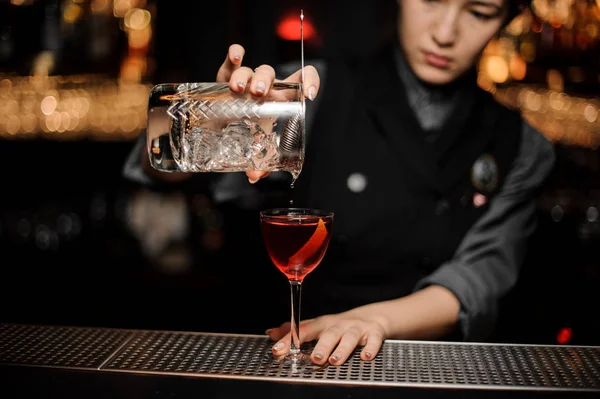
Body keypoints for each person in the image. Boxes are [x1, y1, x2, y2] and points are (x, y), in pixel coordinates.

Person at [123, 0, 555, 367]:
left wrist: (377, 321)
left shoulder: (522, 147)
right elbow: (156, 169)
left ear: (508, 20)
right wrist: (205, 121)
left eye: (479, 12)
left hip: (435, 370)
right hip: (302, 360)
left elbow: (478, 279)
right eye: (431, 0)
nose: (445, 32)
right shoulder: (312, 91)